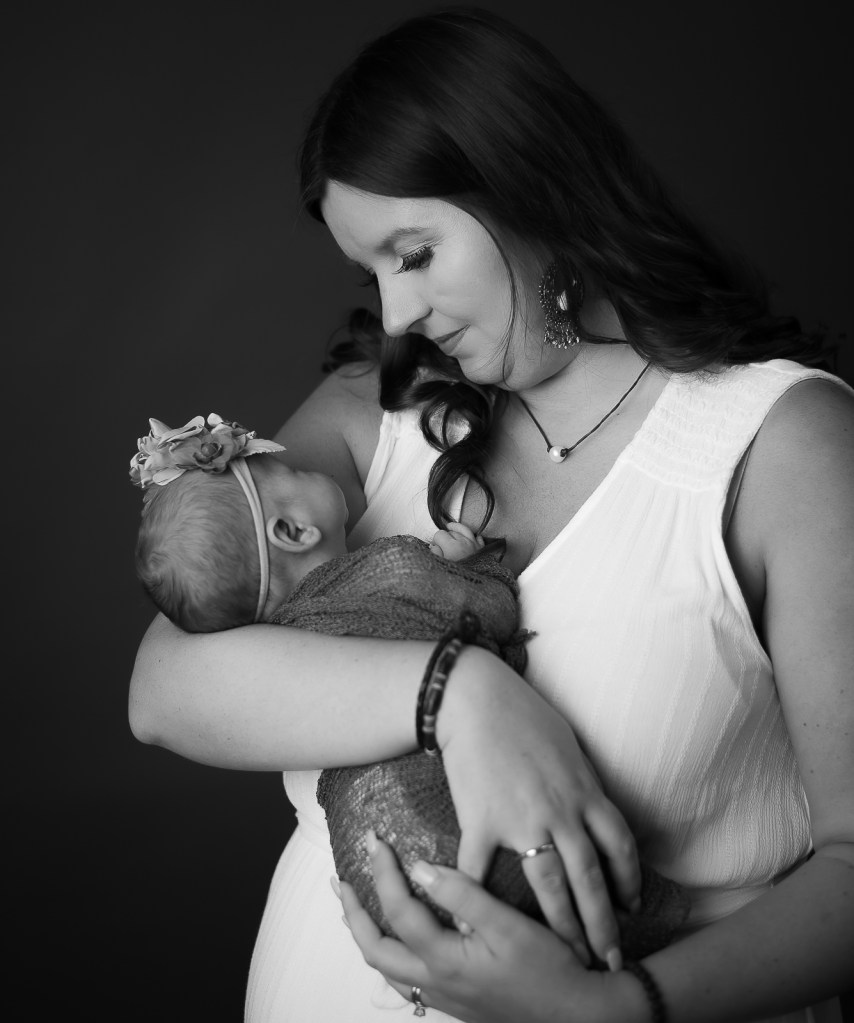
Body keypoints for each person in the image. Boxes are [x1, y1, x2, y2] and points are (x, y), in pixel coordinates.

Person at [127, 7, 854, 1022]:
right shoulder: (376, 412)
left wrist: (611, 1008)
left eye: (414, 252)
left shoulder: (779, 443)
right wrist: (457, 694)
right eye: (372, 272)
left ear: (527, 182)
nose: (397, 316)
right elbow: (162, 689)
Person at [129, 411, 688, 954]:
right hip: (441, 817)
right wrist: (466, 562)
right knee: (542, 876)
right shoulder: (390, 567)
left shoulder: (278, 644)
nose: (303, 464)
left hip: (370, 857)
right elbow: (485, 611)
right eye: (293, 472)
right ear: (293, 531)